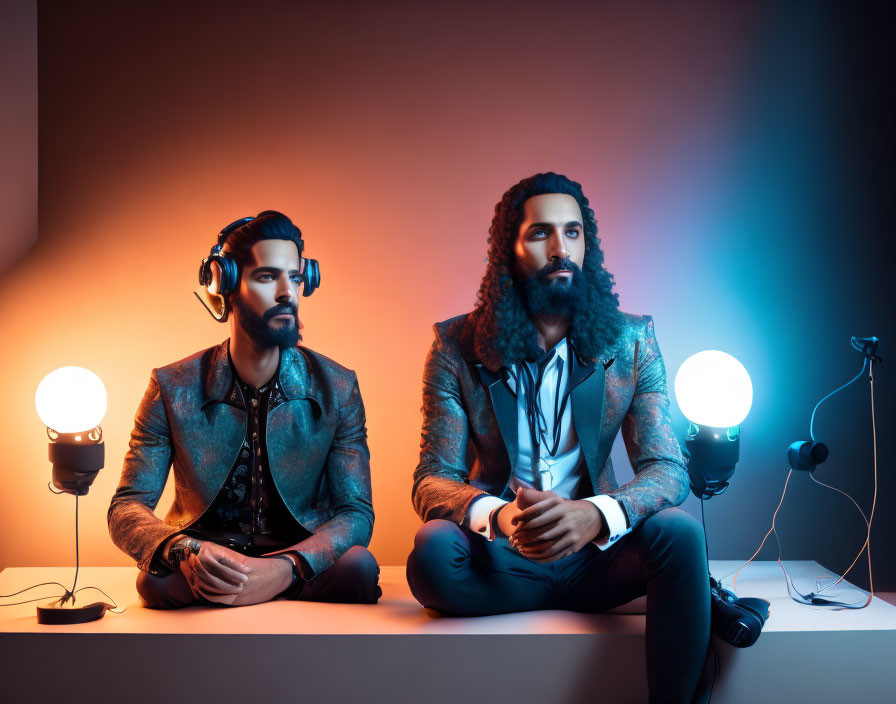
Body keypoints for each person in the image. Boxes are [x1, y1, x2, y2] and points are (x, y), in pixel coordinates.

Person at [406, 174, 709, 702]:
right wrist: (500, 518)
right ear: (511, 249)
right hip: (504, 555)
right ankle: (540, 588)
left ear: (587, 245)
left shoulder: (633, 341)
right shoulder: (456, 345)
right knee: (432, 552)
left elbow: (668, 469)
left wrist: (596, 515)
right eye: (541, 234)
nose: (560, 249)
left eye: (572, 233)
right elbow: (432, 479)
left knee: (680, 536)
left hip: (599, 557)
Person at [109, 211, 380, 608]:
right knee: (157, 583)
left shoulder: (338, 386)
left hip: (297, 556)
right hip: (208, 557)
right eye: (268, 277)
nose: (288, 292)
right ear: (227, 285)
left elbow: (356, 513)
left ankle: (265, 587)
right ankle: (238, 586)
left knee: (358, 569)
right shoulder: (172, 386)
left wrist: (284, 568)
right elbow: (126, 507)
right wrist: (182, 550)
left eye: (297, 277)